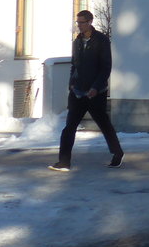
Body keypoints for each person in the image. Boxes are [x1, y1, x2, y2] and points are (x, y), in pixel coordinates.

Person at [49, 11, 124, 171]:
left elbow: (105, 67)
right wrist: (71, 84)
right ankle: (64, 162)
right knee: (69, 127)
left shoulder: (101, 40)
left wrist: (95, 87)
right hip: (77, 93)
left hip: (96, 93)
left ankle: (117, 152)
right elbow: (74, 65)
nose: (79, 25)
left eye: (82, 22)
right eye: (77, 22)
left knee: (104, 124)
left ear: (90, 22)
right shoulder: (77, 41)